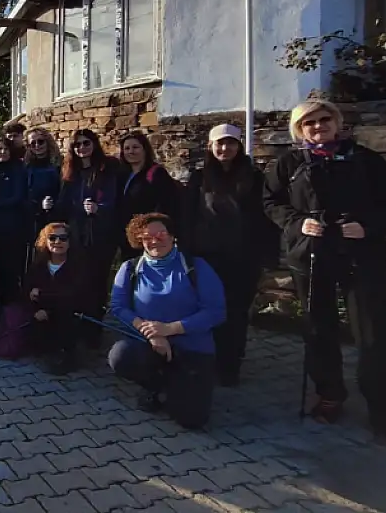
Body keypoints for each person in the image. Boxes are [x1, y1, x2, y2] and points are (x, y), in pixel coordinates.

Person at [264, 99, 386, 442]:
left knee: (373, 334)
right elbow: (270, 202)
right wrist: (299, 223)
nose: (318, 126)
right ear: (299, 129)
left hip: (361, 256)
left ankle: (383, 411)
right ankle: (329, 394)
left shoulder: (365, 159)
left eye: (324, 119)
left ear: (336, 122)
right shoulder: (289, 163)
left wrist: (368, 226)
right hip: (312, 256)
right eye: (309, 123)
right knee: (319, 329)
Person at [108, 213, 226, 429]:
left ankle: (176, 385)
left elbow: (216, 311)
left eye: (161, 234)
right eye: (147, 237)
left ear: (173, 237)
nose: (154, 241)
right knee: (120, 355)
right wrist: (150, 333)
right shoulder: (129, 269)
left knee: (192, 420)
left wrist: (170, 329)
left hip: (192, 346)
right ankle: (154, 384)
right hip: (149, 344)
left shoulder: (197, 267)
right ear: (139, 240)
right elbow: (118, 307)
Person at [182, 124, 275, 387]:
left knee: (235, 314)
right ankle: (204, 359)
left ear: (238, 146)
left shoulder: (254, 177)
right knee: (207, 311)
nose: (225, 148)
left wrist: (266, 254)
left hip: (242, 257)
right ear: (211, 147)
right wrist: (186, 253)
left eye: (230, 143)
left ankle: (230, 364)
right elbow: (187, 216)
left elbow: (263, 218)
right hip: (207, 256)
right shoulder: (199, 178)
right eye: (219, 144)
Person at [54, 129, 122, 348]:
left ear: (94, 144)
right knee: (77, 281)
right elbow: (63, 204)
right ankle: (77, 326)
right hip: (75, 234)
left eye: (86, 143)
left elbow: (114, 200)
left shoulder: (106, 170)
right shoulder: (70, 173)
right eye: (77, 145)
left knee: (97, 283)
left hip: (99, 235)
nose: (81, 148)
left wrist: (98, 209)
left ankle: (94, 331)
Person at [23, 222, 86, 374]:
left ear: (70, 242)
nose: (57, 242)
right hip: (41, 314)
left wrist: (44, 300)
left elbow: (74, 295)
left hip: (68, 315)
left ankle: (68, 354)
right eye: (52, 238)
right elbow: (27, 292)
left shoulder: (79, 266)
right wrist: (36, 309)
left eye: (63, 238)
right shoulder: (37, 265)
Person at [117, 132, 181, 261]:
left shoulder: (156, 173)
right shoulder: (123, 175)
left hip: (149, 237)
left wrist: (152, 231)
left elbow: (165, 204)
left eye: (135, 147)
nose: (131, 151)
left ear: (144, 149)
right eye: (127, 148)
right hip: (129, 237)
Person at [0, 137, 29, 301]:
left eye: (5, 149)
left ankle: (12, 304)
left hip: (13, 226)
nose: (2, 152)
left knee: (11, 266)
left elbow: (17, 198)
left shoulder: (17, 170)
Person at [25, 127, 61, 253]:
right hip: (32, 219)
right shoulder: (26, 167)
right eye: (32, 143)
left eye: (40, 141)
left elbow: (63, 191)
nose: (37, 145)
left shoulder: (58, 165)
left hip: (55, 218)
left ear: (47, 142)